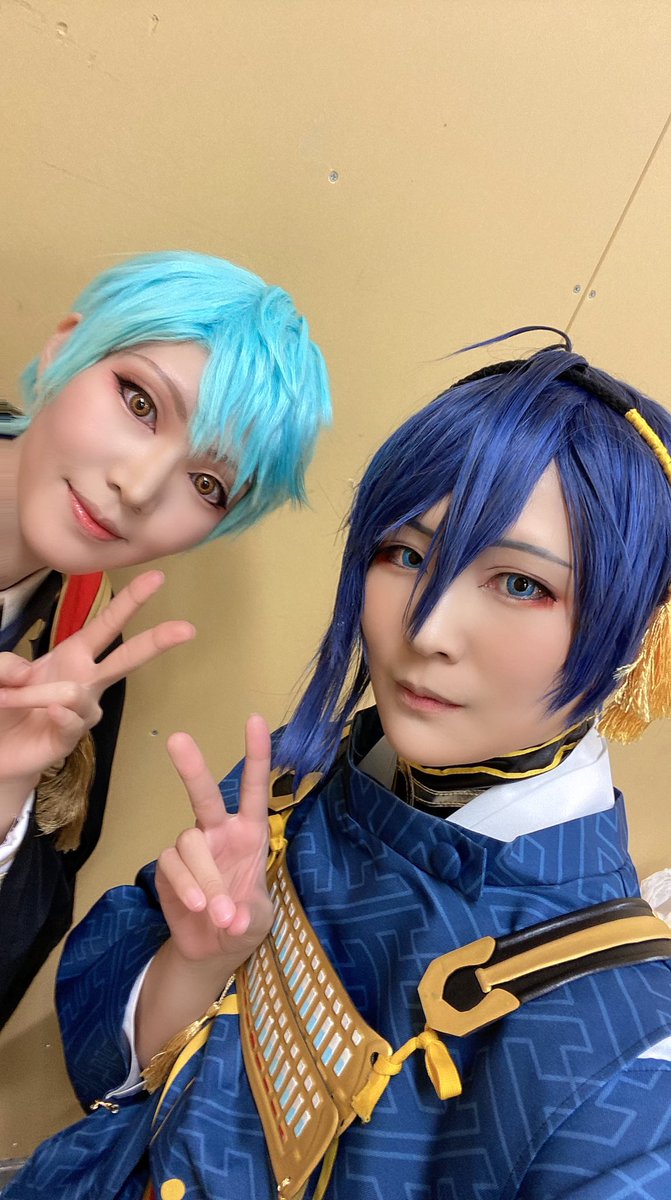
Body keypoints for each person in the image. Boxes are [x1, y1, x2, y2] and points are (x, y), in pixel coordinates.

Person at [6, 330, 671, 1199]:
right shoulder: (310, 771)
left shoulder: (625, 1062)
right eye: (405, 555)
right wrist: (195, 962)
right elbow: (108, 1071)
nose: (425, 631)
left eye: (522, 584)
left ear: (641, 631)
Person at [0, 249, 331, 1026]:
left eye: (207, 484)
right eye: (140, 401)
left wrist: (5, 791)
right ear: (64, 348)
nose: (139, 486)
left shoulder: (78, 663)